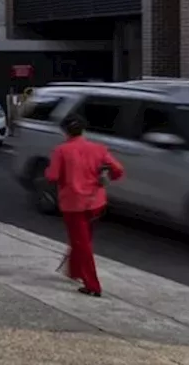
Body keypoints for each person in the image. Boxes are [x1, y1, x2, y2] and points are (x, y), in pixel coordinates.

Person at [44, 113, 124, 297]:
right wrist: (107, 177)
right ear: (83, 129)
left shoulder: (61, 151)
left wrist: (50, 171)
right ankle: (75, 271)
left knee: (82, 244)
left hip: (74, 204)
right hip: (96, 202)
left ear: (65, 131)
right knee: (83, 238)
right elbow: (118, 170)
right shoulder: (99, 149)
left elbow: (53, 176)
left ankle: (92, 285)